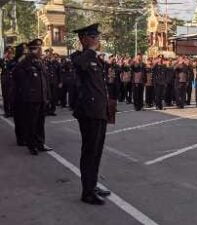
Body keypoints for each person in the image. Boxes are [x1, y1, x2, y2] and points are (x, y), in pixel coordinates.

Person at [72, 24, 111, 205]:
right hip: (89, 112)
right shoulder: (80, 57)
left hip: (99, 112)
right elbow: (80, 65)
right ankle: (87, 192)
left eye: (97, 37)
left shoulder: (95, 59)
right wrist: (90, 50)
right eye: (93, 37)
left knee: (97, 152)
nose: (97, 40)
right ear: (84, 39)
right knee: (89, 152)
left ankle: (92, 185)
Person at [13, 39, 53, 155]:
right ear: (33, 50)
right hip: (31, 98)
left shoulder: (40, 62)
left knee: (40, 123)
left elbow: (44, 81)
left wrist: (47, 96)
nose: (41, 50)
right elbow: (17, 77)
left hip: (41, 98)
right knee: (31, 123)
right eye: (38, 48)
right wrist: (27, 92)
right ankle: (32, 146)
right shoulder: (25, 62)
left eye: (40, 48)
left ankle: (40, 144)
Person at [10, 43, 28, 146]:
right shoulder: (13, 62)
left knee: (26, 117)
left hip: (27, 93)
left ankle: (26, 136)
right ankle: (20, 139)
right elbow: (13, 73)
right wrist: (20, 62)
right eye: (23, 50)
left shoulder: (27, 62)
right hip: (17, 94)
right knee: (19, 117)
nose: (25, 52)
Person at [1, 46, 14, 117]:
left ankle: (12, 111)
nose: (10, 54)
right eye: (8, 53)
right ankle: (7, 112)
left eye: (11, 53)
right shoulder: (2, 60)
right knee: (5, 96)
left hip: (12, 81)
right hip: (5, 81)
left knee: (12, 96)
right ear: (5, 53)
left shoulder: (13, 61)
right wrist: (4, 58)